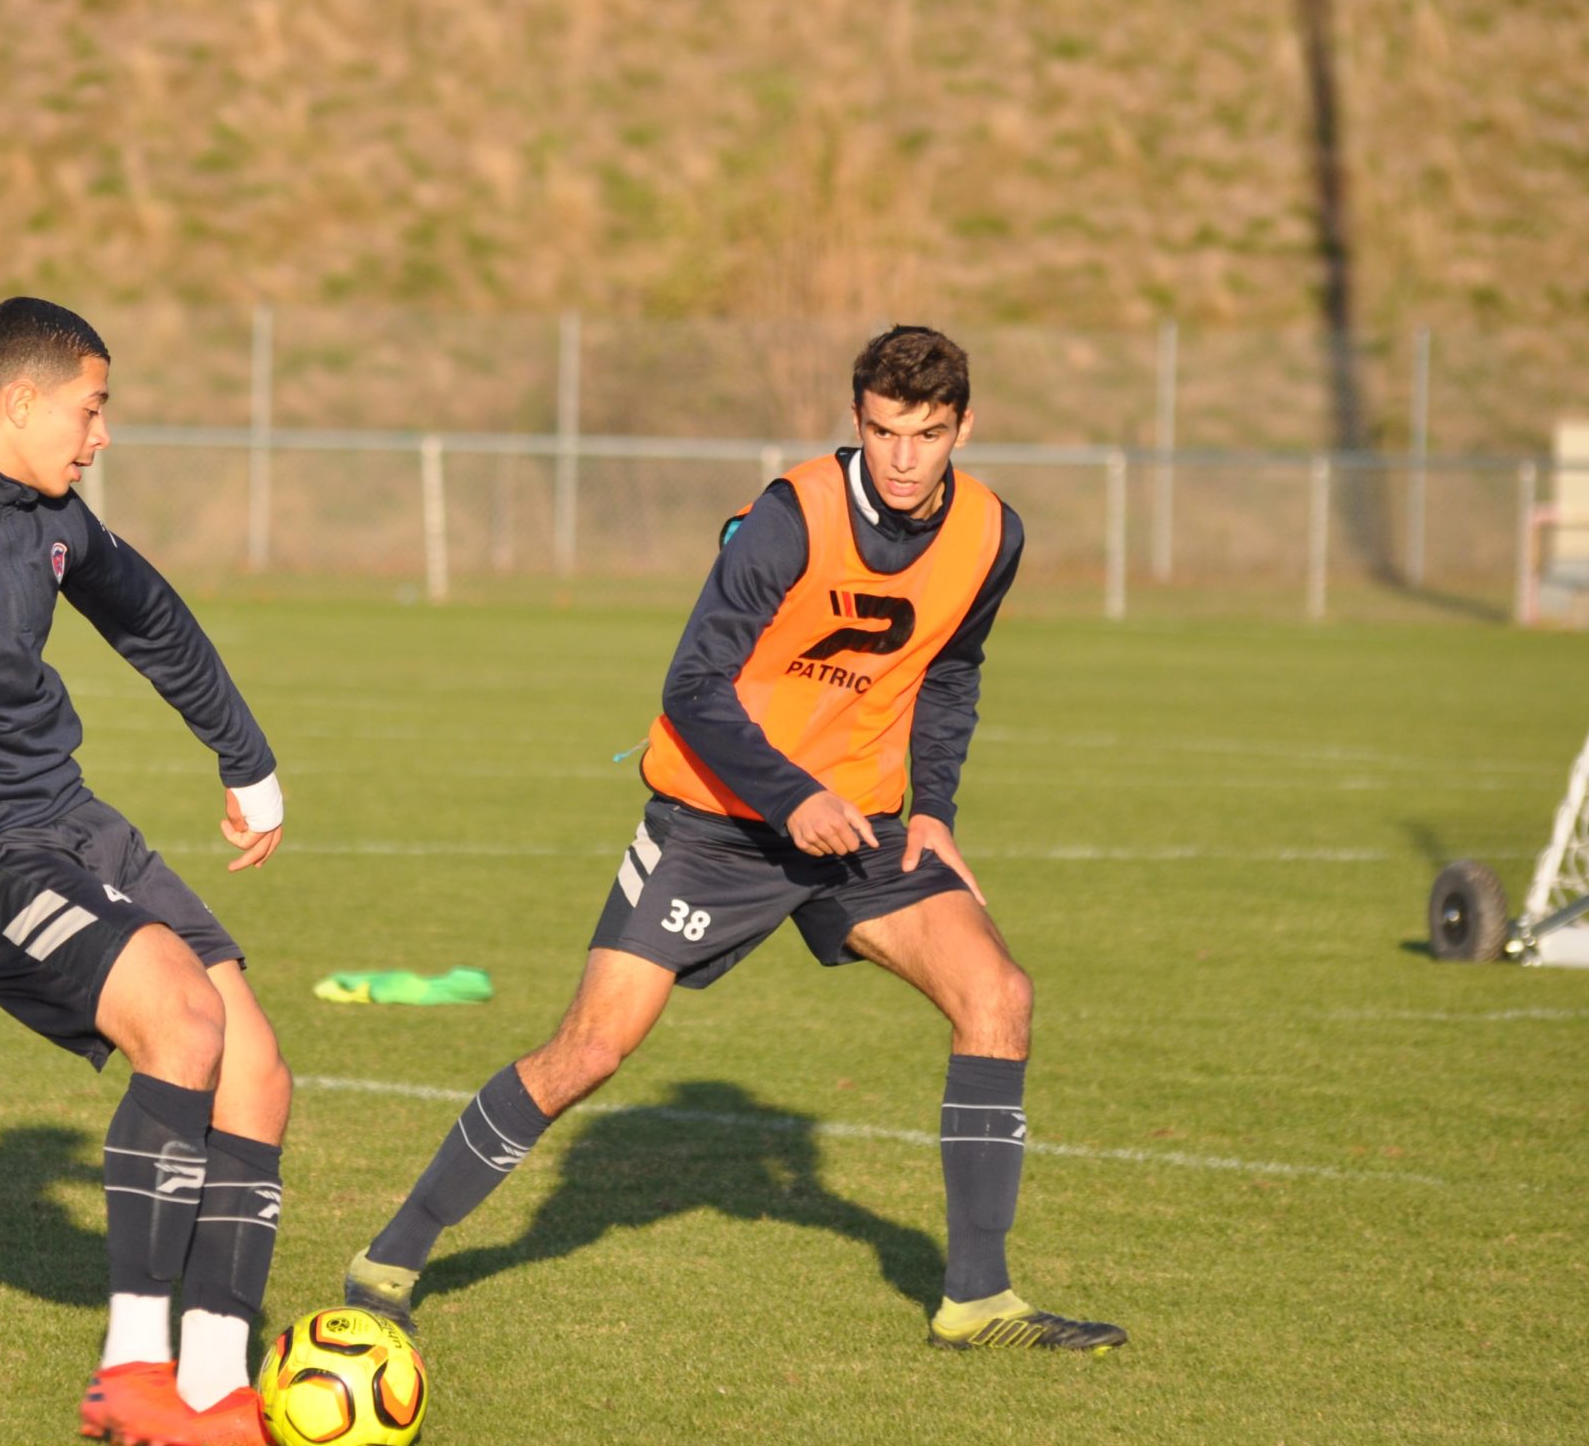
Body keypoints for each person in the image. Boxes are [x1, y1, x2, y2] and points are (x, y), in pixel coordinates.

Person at [344, 325, 1127, 1355]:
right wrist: (788, 792)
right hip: (717, 819)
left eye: (927, 435)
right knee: (591, 1048)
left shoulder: (990, 533)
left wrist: (931, 805)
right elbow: (692, 686)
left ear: (962, 428)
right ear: (856, 421)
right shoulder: (789, 517)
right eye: (884, 432)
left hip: (860, 828)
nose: (902, 459)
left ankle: (975, 1298)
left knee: (999, 995)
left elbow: (949, 671)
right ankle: (389, 1256)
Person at [0, 296, 291, 1446]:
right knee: (181, 1024)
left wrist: (245, 755)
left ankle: (215, 1381)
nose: (102, 434)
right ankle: (132, 1370)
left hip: (74, 820)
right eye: (91, 408)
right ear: (21, 400)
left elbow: (151, 617)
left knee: (259, 1070)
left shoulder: (50, 516)